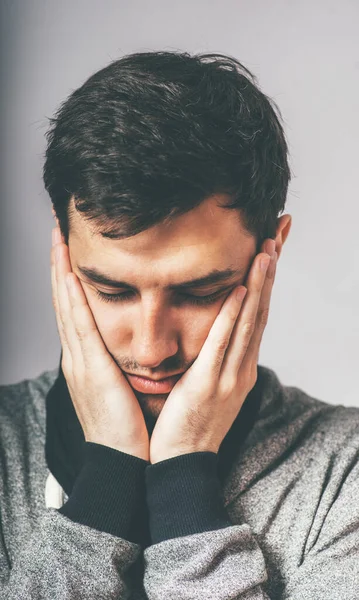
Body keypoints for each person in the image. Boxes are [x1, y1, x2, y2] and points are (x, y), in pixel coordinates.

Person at [0, 50, 358, 600]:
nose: (151, 348)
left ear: (272, 252)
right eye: (111, 290)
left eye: (200, 293)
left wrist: (184, 478)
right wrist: (106, 488)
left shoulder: (345, 473)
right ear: (63, 249)